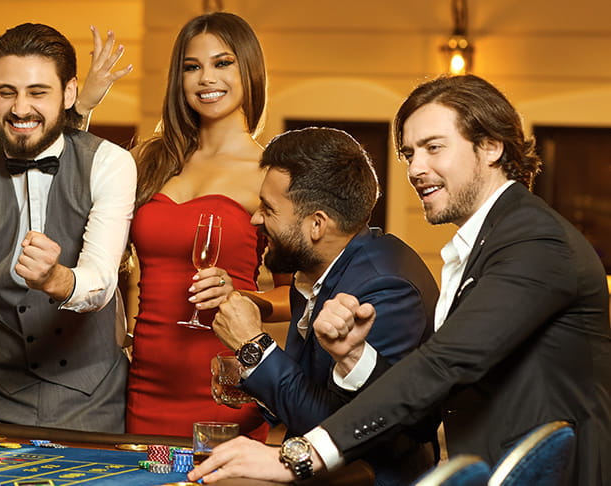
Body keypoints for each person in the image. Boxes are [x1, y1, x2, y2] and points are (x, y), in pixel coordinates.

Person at [190, 75, 611, 485]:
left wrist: (300, 456)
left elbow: (443, 365)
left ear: (491, 147)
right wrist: (355, 358)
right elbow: (433, 405)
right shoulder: (489, 240)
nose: (415, 169)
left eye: (433, 148)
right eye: (410, 154)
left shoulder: (535, 241)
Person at [0, 23, 136, 433]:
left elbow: (101, 282)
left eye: (38, 92)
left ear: (69, 94)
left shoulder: (110, 163)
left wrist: (56, 277)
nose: (20, 108)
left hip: (92, 399)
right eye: (6, 92)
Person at [210, 127, 439, 485]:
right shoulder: (324, 265)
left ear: (317, 224)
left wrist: (253, 347)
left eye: (268, 209)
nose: (255, 218)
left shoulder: (385, 288)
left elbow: (344, 429)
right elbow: (309, 388)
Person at [115, 12, 282, 439]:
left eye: (222, 63)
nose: (206, 78)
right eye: (193, 67)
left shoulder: (271, 173)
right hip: (145, 386)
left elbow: (299, 295)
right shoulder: (150, 161)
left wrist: (244, 297)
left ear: (249, 71)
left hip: (224, 388)